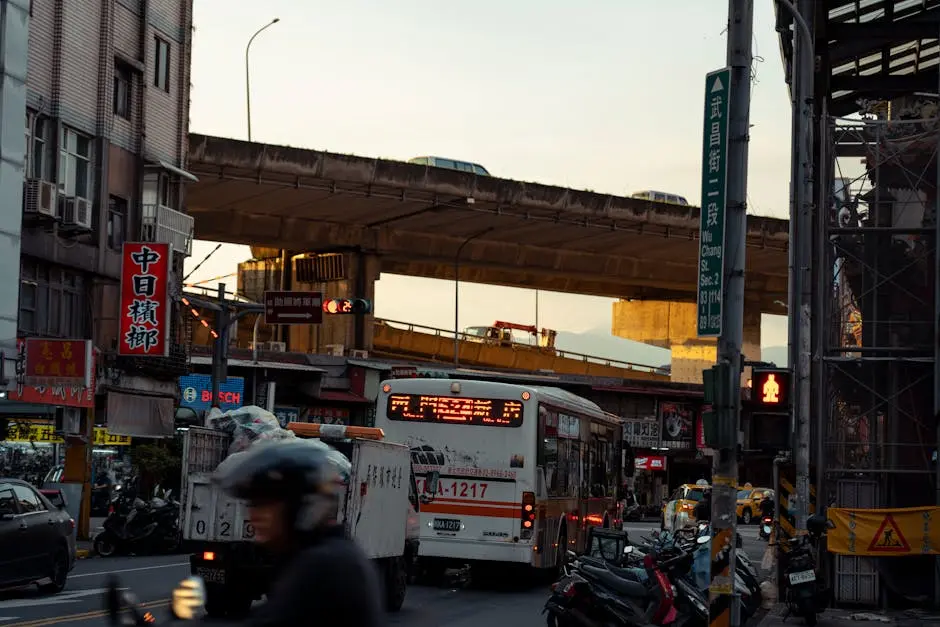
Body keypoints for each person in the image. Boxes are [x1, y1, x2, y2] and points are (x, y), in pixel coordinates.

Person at [171, 439, 385, 627]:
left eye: (265, 503)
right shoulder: (309, 557)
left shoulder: (326, 566)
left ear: (301, 505)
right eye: (252, 504)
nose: (254, 515)